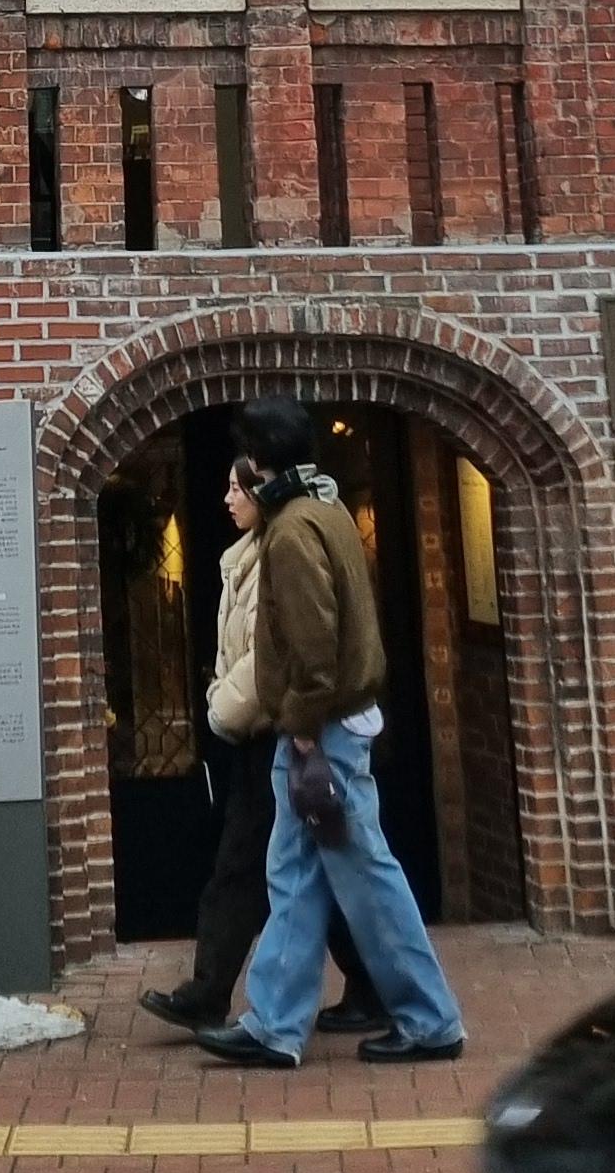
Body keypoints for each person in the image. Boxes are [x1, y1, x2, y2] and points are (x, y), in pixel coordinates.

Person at [196, 399, 466, 1069]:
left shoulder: (290, 531)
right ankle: (275, 1024)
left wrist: (302, 729)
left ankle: (430, 1019)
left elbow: (313, 647)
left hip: (322, 729)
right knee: (293, 873)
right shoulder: (328, 510)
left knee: (366, 874)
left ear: (261, 458)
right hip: (335, 721)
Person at [141, 459, 384, 1041]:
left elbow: (273, 654)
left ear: (262, 489)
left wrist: (221, 706)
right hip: (266, 732)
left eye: (237, 488)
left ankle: (226, 997)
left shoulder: (282, 550)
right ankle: (365, 987)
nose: (227, 499)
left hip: (282, 731)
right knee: (290, 863)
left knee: (271, 863)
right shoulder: (246, 555)